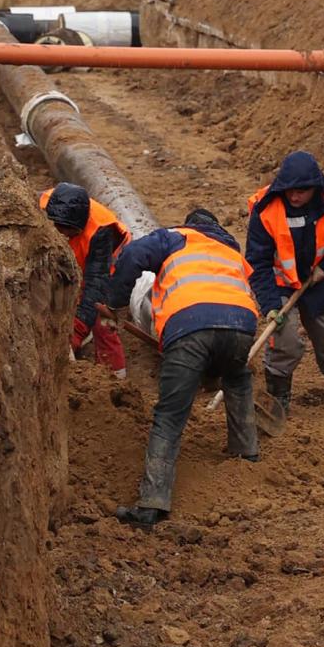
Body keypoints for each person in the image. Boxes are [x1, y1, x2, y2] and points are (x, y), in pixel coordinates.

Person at [105, 208, 260, 531]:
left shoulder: (175, 237)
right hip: (242, 325)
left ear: (191, 226)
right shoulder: (230, 250)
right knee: (237, 379)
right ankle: (247, 454)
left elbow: (132, 254)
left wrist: (116, 302)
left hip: (189, 325)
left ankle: (152, 503)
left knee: (171, 413)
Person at [246, 150, 324, 415]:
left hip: (318, 281)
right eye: (289, 190)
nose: (294, 196)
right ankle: (278, 397)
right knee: (284, 340)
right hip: (280, 285)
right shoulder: (266, 209)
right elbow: (257, 263)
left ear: (315, 186)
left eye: (301, 191)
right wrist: (269, 305)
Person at [39, 182, 130, 378]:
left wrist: (77, 329)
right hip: (65, 264)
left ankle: (114, 379)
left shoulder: (100, 230)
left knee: (102, 319)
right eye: (58, 228)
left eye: (68, 231)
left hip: (104, 268)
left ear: (81, 225)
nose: (62, 235)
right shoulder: (38, 208)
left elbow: (96, 282)